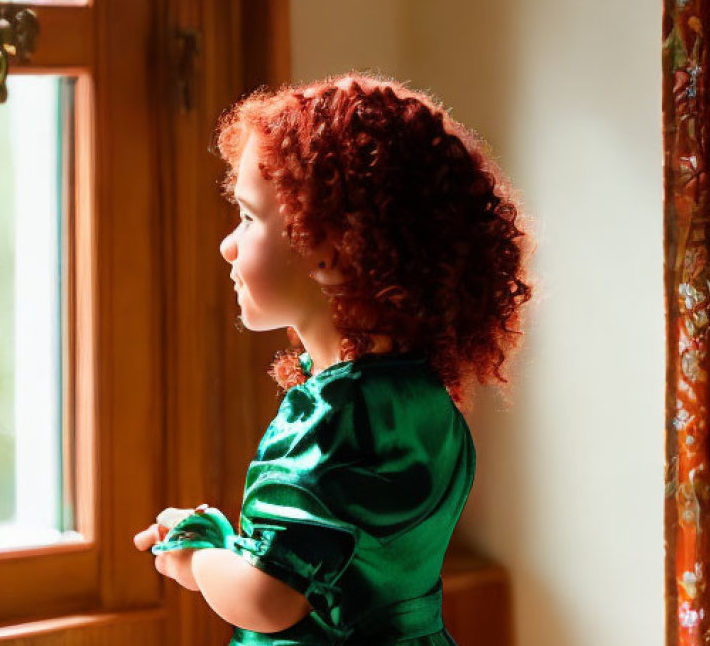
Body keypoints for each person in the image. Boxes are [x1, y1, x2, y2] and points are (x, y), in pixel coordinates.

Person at [133, 72, 535, 644]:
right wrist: (229, 547)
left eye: (248, 219)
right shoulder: (425, 398)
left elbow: (269, 597)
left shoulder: (333, 414)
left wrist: (195, 559)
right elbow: (336, 559)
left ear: (333, 254)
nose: (228, 244)